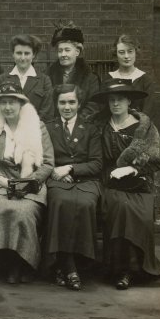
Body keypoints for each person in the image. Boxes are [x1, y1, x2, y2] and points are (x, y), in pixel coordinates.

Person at [90, 78, 160, 290]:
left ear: (129, 102)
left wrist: (134, 168)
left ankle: (137, 268)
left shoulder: (144, 127)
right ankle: (120, 269)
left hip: (138, 182)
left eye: (120, 100)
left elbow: (158, 158)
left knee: (139, 212)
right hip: (109, 182)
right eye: (112, 100)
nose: (115, 104)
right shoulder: (100, 125)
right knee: (120, 207)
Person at [0, 81, 54, 284]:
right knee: (1, 207)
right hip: (2, 182)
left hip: (31, 183)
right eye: (3, 103)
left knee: (24, 211)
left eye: (12, 102)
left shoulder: (37, 127)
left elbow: (48, 163)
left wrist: (28, 182)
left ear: (21, 104)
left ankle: (24, 263)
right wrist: (1, 180)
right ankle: (5, 262)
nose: (8, 107)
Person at [43, 84, 102, 291]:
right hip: (57, 179)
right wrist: (54, 172)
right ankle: (67, 265)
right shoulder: (48, 128)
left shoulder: (91, 129)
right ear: (56, 104)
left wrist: (70, 168)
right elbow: (41, 159)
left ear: (79, 103)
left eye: (71, 102)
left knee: (85, 204)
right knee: (60, 202)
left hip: (85, 180)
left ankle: (78, 263)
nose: (67, 107)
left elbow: (96, 163)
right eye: (62, 102)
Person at [46, 22, 100, 121]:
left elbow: (93, 105)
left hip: (80, 128)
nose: (63, 54)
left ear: (77, 52)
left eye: (67, 50)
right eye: (60, 50)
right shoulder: (48, 76)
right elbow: (46, 105)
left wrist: (75, 124)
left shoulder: (90, 78)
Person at [0, 34, 54, 122]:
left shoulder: (44, 80)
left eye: (27, 53)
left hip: (35, 130)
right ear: (13, 54)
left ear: (33, 55)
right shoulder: (2, 79)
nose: (22, 58)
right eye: (19, 53)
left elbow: (47, 111)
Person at [107, 34, 155, 116]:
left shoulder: (145, 80)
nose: (126, 56)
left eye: (130, 51)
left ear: (136, 53)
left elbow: (147, 113)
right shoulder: (109, 78)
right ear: (116, 54)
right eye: (121, 52)